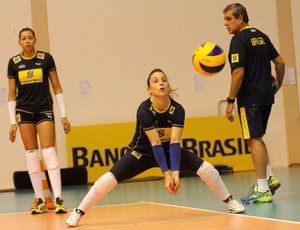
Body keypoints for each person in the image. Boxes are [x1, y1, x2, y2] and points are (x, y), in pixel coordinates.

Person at [65, 68, 245, 227]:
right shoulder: (144, 110)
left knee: (207, 169)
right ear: (149, 89)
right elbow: (155, 144)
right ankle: (77, 213)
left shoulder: (178, 110)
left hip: (169, 151)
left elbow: (174, 143)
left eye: (164, 80)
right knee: (108, 179)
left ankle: (230, 201)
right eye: (156, 81)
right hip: (142, 153)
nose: (161, 83)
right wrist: (166, 175)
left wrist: (175, 173)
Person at [223, 3, 285, 204]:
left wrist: (230, 100)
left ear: (241, 19)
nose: (226, 24)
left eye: (229, 19)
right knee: (256, 138)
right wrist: (277, 84)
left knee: (253, 139)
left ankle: (262, 189)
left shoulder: (239, 40)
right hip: (266, 96)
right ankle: (268, 178)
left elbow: (238, 72)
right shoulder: (262, 36)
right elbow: (280, 63)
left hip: (250, 99)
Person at [7, 28, 71, 214]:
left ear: (35, 39)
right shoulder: (14, 62)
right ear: (19, 42)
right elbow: (11, 94)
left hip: (44, 110)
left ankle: (58, 198)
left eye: (30, 37)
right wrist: (12, 122)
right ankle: (40, 200)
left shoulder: (46, 59)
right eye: (23, 38)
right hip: (23, 112)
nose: (27, 41)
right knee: (31, 154)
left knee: (49, 151)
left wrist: (63, 115)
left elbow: (57, 87)